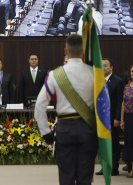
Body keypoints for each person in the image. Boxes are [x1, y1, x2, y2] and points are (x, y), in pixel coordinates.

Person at [35, 34, 98, 185]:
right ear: (83, 52)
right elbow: (103, 105)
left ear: (65, 51)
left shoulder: (55, 75)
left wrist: (46, 133)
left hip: (65, 129)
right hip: (87, 129)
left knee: (66, 178)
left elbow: (39, 106)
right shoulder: (94, 73)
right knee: (85, 178)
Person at [95, 58, 124, 176]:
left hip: (112, 119)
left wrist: (117, 118)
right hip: (100, 119)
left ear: (111, 67)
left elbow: (120, 101)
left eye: (105, 65)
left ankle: (114, 168)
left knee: (113, 144)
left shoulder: (118, 81)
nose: (103, 68)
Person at [120, 65, 133, 178]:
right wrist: (122, 120)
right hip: (129, 117)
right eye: (132, 71)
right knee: (129, 142)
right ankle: (132, 169)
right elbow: (123, 103)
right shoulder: (127, 87)